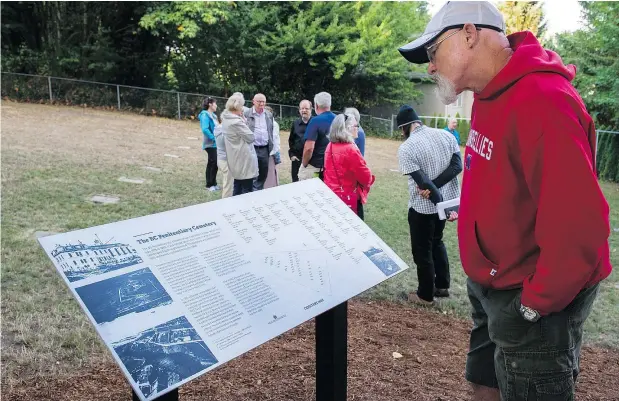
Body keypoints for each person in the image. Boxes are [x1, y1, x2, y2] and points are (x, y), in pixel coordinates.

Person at [398, 2, 612, 400]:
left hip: (530, 296)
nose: (430, 66)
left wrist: (532, 306)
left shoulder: (543, 99)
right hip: (492, 282)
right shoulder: (487, 93)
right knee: (485, 381)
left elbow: (579, 229)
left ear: (468, 34)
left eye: (432, 53)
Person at [396, 104, 462, 306]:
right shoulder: (446, 136)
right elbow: (456, 166)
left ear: (405, 127)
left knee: (422, 250)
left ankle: (425, 294)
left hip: (423, 207)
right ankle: (442, 285)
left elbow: (422, 182)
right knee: (437, 241)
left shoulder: (407, 147)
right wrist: (443, 202)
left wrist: (433, 191)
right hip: (446, 202)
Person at [323, 113, 374, 220]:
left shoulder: (330, 145)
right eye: (356, 126)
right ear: (348, 128)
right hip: (349, 198)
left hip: (332, 196)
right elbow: (365, 177)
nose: (358, 129)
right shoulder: (351, 149)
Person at [221, 93, 258, 196]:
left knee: (237, 186)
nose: (243, 108)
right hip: (243, 158)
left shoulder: (226, 119)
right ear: (237, 106)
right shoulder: (236, 122)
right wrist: (244, 121)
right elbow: (251, 137)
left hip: (235, 157)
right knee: (247, 190)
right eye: (242, 105)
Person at [300, 92, 336, 180]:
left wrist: (304, 164)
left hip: (316, 167)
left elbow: (309, 148)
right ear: (330, 104)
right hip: (333, 168)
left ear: (316, 105)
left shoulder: (315, 121)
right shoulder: (339, 119)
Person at [243, 93, 274, 191]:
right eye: (259, 101)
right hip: (252, 148)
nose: (261, 104)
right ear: (253, 101)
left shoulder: (268, 114)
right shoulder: (246, 113)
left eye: (263, 102)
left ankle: (258, 191)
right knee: (251, 173)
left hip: (264, 149)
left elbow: (270, 130)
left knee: (263, 173)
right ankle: (250, 192)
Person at [198, 97, 219, 192]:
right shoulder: (204, 115)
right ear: (210, 104)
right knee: (212, 162)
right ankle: (209, 184)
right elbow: (205, 129)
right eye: (215, 104)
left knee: (215, 163)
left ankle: (214, 183)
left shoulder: (213, 115)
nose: (216, 105)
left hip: (216, 143)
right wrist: (213, 138)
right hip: (210, 144)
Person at [289, 100, 313, 182]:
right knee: (295, 183)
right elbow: (291, 140)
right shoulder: (295, 123)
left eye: (306, 108)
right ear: (299, 110)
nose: (304, 110)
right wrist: (292, 155)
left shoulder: (315, 123)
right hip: (297, 160)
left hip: (312, 162)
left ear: (311, 109)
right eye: (302, 108)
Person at [214, 119, 233, 199]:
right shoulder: (223, 132)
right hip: (225, 160)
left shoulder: (218, 129)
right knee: (228, 185)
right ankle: (226, 203)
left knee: (228, 183)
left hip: (222, 159)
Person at [264, 106, 281, 189]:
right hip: (265, 153)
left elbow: (274, 139)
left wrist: (274, 152)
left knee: (270, 174)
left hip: (270, 153)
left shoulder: (273, 124)